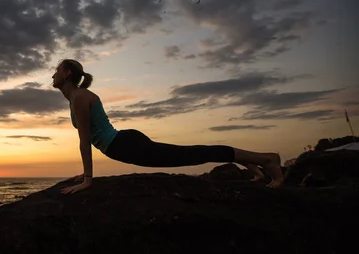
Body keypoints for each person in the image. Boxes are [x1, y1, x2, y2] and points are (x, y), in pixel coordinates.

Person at [53, 59, 284, 195]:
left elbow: (85, 140)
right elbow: (92, 134)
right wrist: (86, 174)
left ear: (67, 74)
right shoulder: (74, 97)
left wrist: (88, 181)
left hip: (127, 146)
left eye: (56, 70)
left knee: (192, 155)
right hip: (124, 143)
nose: (52, 75)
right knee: (191, 153)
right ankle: (253, 166)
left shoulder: (80, 98)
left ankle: (266, 159)